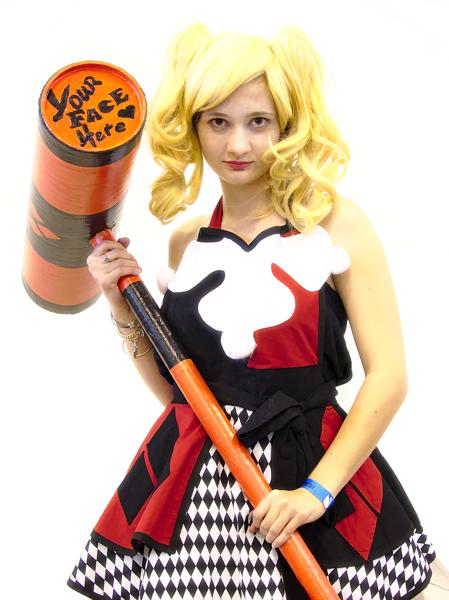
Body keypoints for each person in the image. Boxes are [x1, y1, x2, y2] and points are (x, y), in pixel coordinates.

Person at [67, 22, 436, 600]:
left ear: (287, 125)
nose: (237, 145)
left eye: (257, 122)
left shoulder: (338, 225)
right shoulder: (186, 242)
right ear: (193, 127)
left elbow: (389, 377)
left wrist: (316, 493)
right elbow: (182, 399)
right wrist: (121, 306)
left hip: (309, 486)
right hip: (204, 496)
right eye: (218, 122)